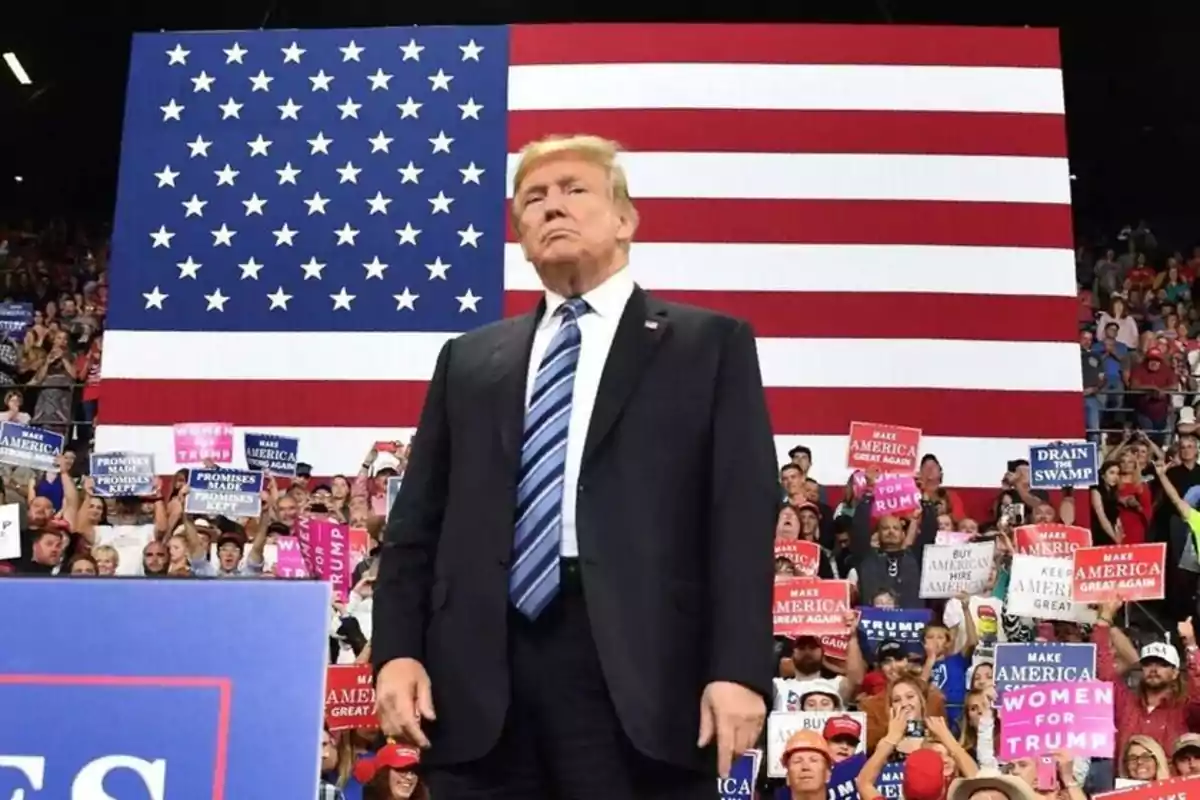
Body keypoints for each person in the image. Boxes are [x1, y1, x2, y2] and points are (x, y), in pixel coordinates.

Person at [372, 134, 779, 799]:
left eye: (574, 190)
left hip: (642, 678)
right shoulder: (468, 360)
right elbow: (416, 524)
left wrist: (738, 670)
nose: (551, 207)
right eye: (533, 199)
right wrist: (396, 653)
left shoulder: (709, 344)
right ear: (522, 235)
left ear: (625, 219)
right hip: (478, 683)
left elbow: (739, 518)